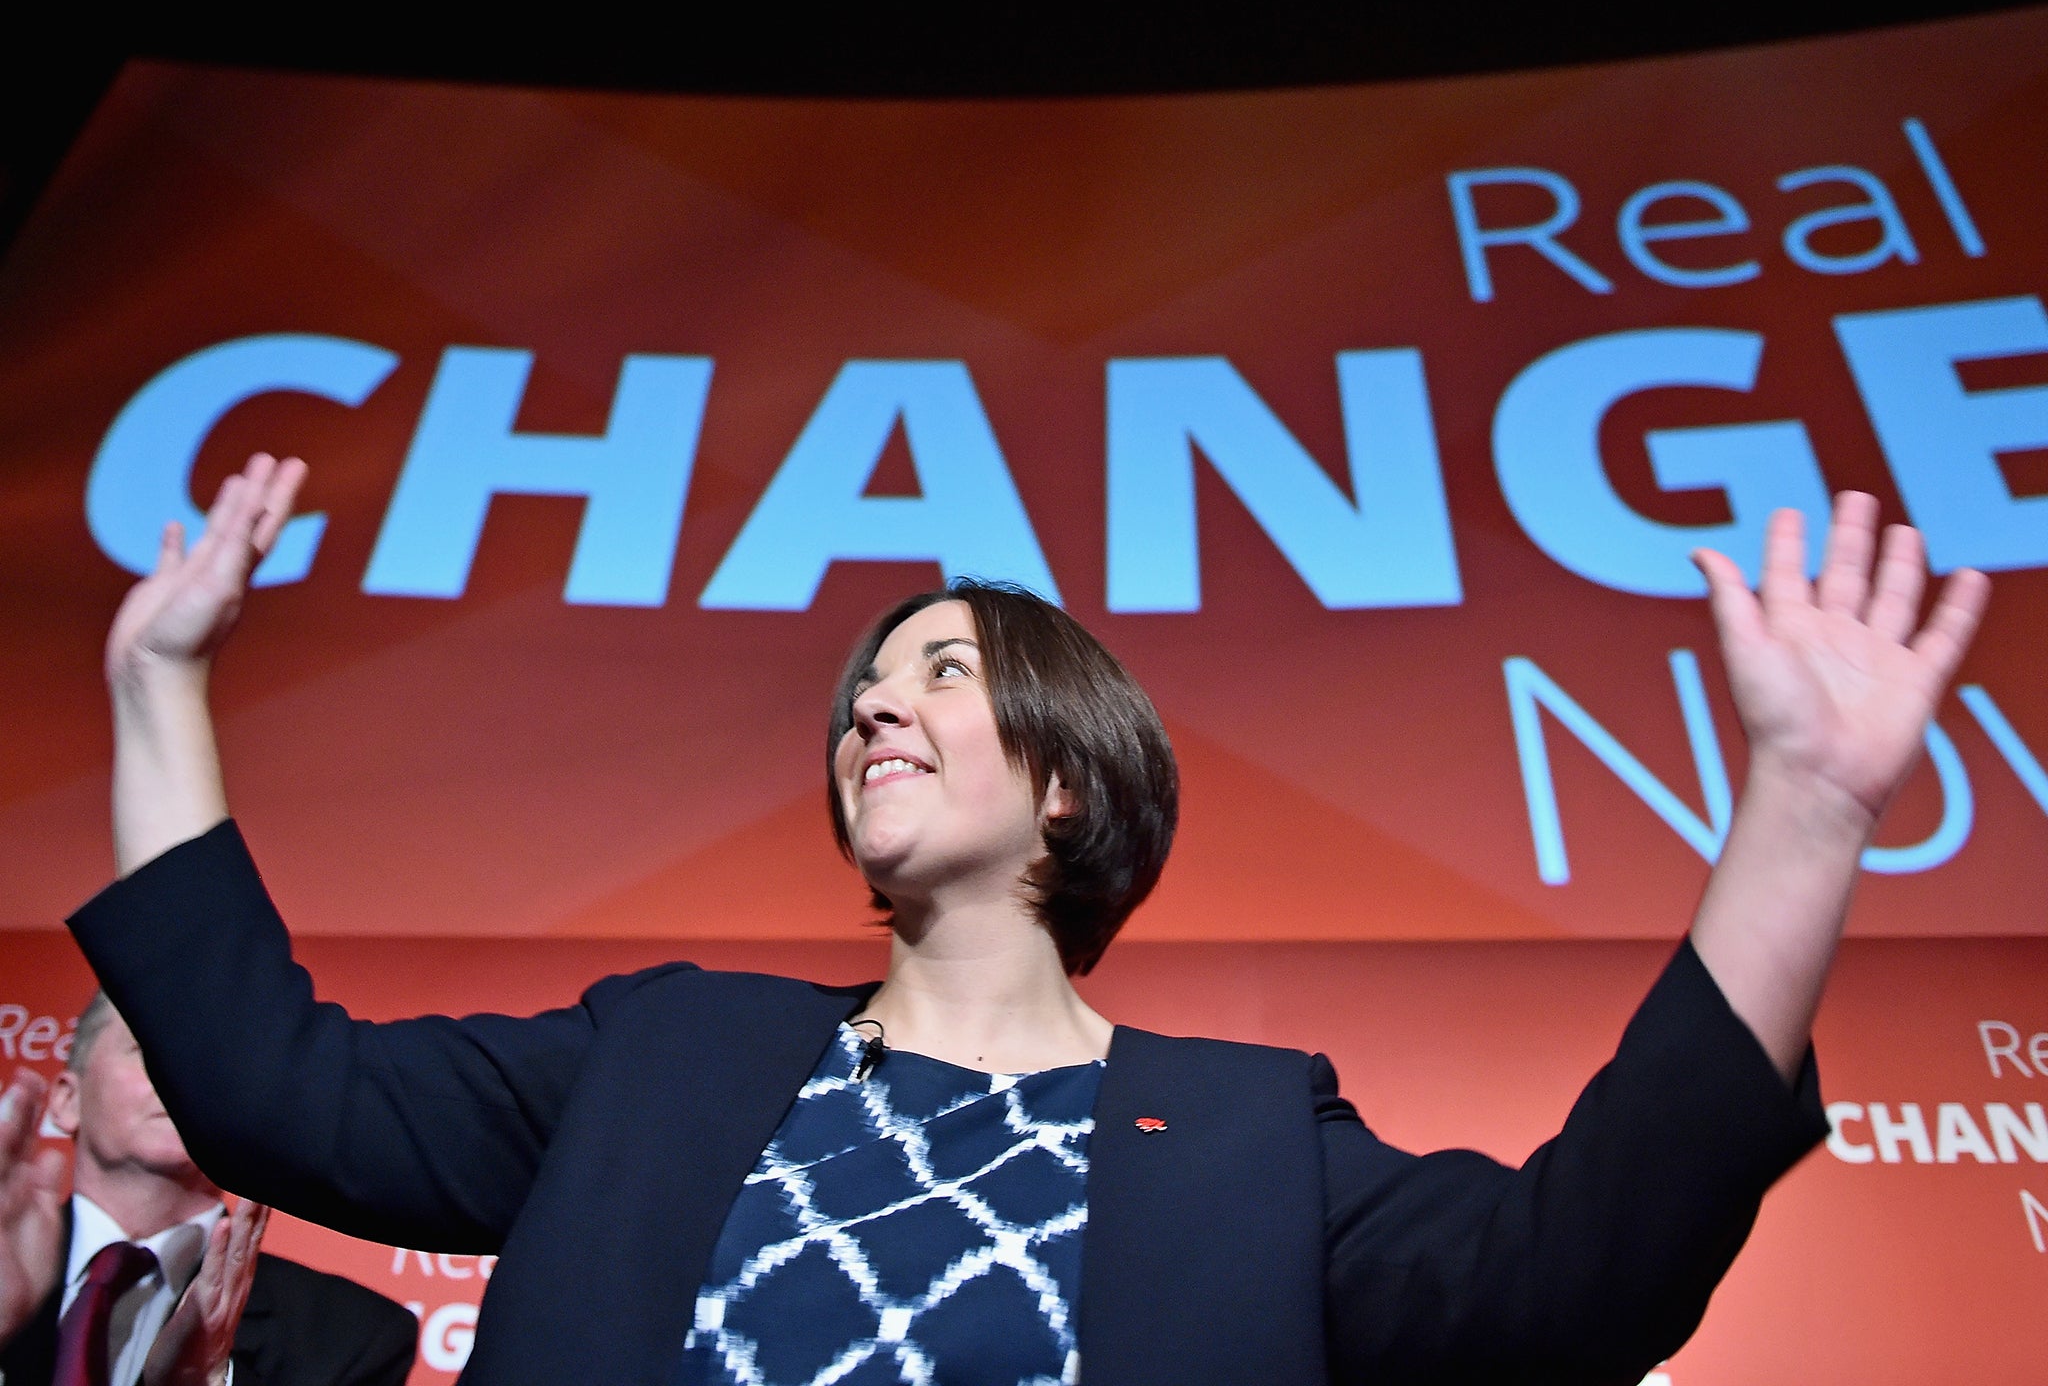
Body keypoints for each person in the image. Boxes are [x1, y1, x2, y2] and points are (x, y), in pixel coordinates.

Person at [70, 453, 1988, 1386]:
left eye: (937, 670)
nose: (871, 707)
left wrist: (1804, 815)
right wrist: (161, 686)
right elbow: (262, 1078)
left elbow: (1583, 1273)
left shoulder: (1248, 1132)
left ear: (1068, 779)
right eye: (859, 689)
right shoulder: (665, 1050)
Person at [0, 997, 418, 1386]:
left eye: (215, 1064)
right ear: (67, 1101)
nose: (184, 1077)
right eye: (151, 1049)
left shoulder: (349, 1335)